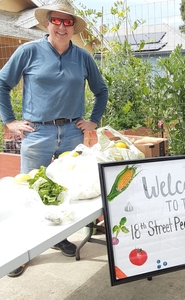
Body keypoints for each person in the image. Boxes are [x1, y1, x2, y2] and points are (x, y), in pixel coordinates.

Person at [0, 0, 108, 277]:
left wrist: (93, 121)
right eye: (56, 21)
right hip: (37, 133)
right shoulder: (28, 51)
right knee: (30, 193)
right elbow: (2, 83)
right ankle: (22, 252)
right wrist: (10, 121)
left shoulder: (83, 57)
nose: (61, 26)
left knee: (66, 190)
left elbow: (101, 90)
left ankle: (60, 237)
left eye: (67, 22)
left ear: (73, 27)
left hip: (72, 133)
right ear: (46, 23)